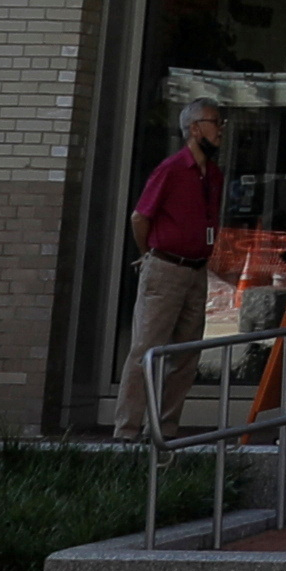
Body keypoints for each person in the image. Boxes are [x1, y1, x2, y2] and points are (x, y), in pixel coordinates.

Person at [119, 98, 227, 434]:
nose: (221, 129)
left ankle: (164, 428)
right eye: (215, 122)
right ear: (194, 129)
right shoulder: (171, 169)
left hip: (197, 270)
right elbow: (140, 216)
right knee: (147, 349)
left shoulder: (214, 175)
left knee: (185, 354)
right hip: (166, 267)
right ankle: (127, 429)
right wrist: (149, 252)